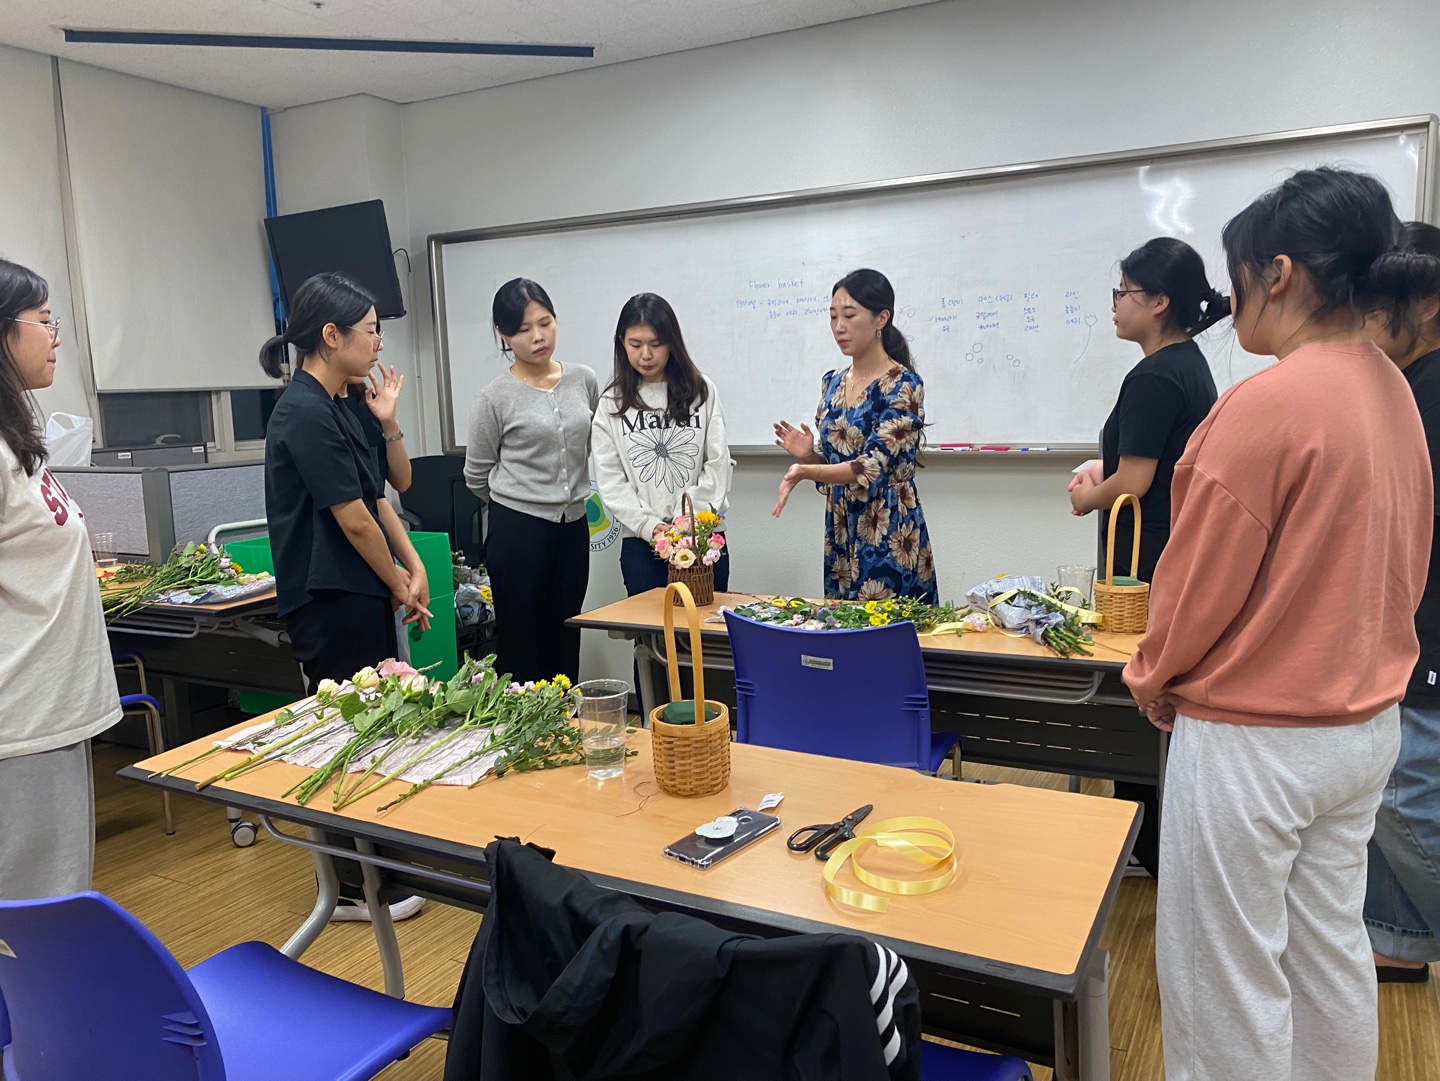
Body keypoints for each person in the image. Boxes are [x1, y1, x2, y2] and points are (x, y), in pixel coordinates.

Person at [1124, 168, 1432, 1081]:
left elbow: (1194, 587)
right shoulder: (1392, 388)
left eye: (1240, 277)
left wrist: (1151, 674)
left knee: (1224, 978)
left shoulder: (1266, 404)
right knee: (1326, 951)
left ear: (1280, 272)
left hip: (1258, 738)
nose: (1232, 302)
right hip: (1363, 724)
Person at [261, 271, 432, 922]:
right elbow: (351, 520)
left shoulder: (341, 403)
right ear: (331, 336)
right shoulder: (302, 410)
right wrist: (397, 582)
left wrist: (412, 569)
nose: (378, 343)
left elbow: (380, 500)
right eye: (370, 331)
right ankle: (349, 889)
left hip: (359, 589)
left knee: (377, 727)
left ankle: (378, 870)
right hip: (326, 595)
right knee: (343, 734)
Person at [1067, 237, 1229, 879]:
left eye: (1124, 292)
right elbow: (1151, 466)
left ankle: (1146, 843)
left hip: (1146, 557)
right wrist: (1102, 469)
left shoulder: (1156, 374)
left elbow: (1134, 482)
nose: (1114, 304)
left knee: (1136, 694)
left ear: (1159, 302)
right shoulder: (1186, 365)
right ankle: (1150, 840)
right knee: (1152, 697)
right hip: (1167, 547)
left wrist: (1088, 498)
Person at [0, 259, 120, 900]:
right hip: (18, 721)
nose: (56, 337)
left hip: (47, 715)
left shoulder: (13, 438)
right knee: (32, 922)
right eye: (44, 321)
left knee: (50, 905)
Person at [1363, 220, 1440, 984]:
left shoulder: (1431, 392)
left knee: (1404, 798)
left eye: (1377, 302)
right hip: (1410, 625)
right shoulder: (1407, 385)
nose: (1363, 317)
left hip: (1428, 631)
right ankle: (1398, 939)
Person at [772, 268, 936, 602]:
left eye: (849, 315)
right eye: (833, 316)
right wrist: (810, 456)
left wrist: (806, 471)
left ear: (881, 319)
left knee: (884, 627)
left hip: (886, 527)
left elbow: (869, 467)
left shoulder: (903, 385)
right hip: (839, 527)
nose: (839, 327)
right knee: (840, 624)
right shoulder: (831, 382)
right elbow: (837, 469)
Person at [464, 279, 598, 684]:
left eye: (545, 323)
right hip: (517, 532)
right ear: (503, 335)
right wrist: (521, 502)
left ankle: (564, 720)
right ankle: (521, 723)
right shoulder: (494, 397)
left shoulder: (583, 379)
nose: (538, 337)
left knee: (566, 634)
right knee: (520, 644)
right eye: (523, 330)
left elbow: (592, 445)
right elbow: (476, 475)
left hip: (573, 527)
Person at [592, 292, 733, 596]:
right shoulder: (611, 403)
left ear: (671, 343)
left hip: (702, 539)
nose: (646, 355)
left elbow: (718, 462)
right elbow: (611, 479)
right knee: (649, 627)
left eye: (656, 344)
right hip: (642, 544)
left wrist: (687, 523)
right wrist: (651, 526)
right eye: (635, 345)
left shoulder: (702, 391)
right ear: (621, 343)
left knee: (704, 626)